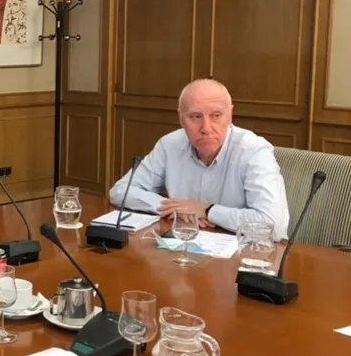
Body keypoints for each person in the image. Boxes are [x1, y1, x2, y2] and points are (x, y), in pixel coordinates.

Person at [109, 78, 290, 239]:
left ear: (231, 115)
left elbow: (273, 226)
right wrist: (176, 208)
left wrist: (207, 210)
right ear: (181, 118)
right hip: (185, 248)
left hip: (244, 257)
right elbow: (120, 191)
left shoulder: (254, 151)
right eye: (195, 117)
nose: (206, 128)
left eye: (216, 116)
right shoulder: (170, 144)